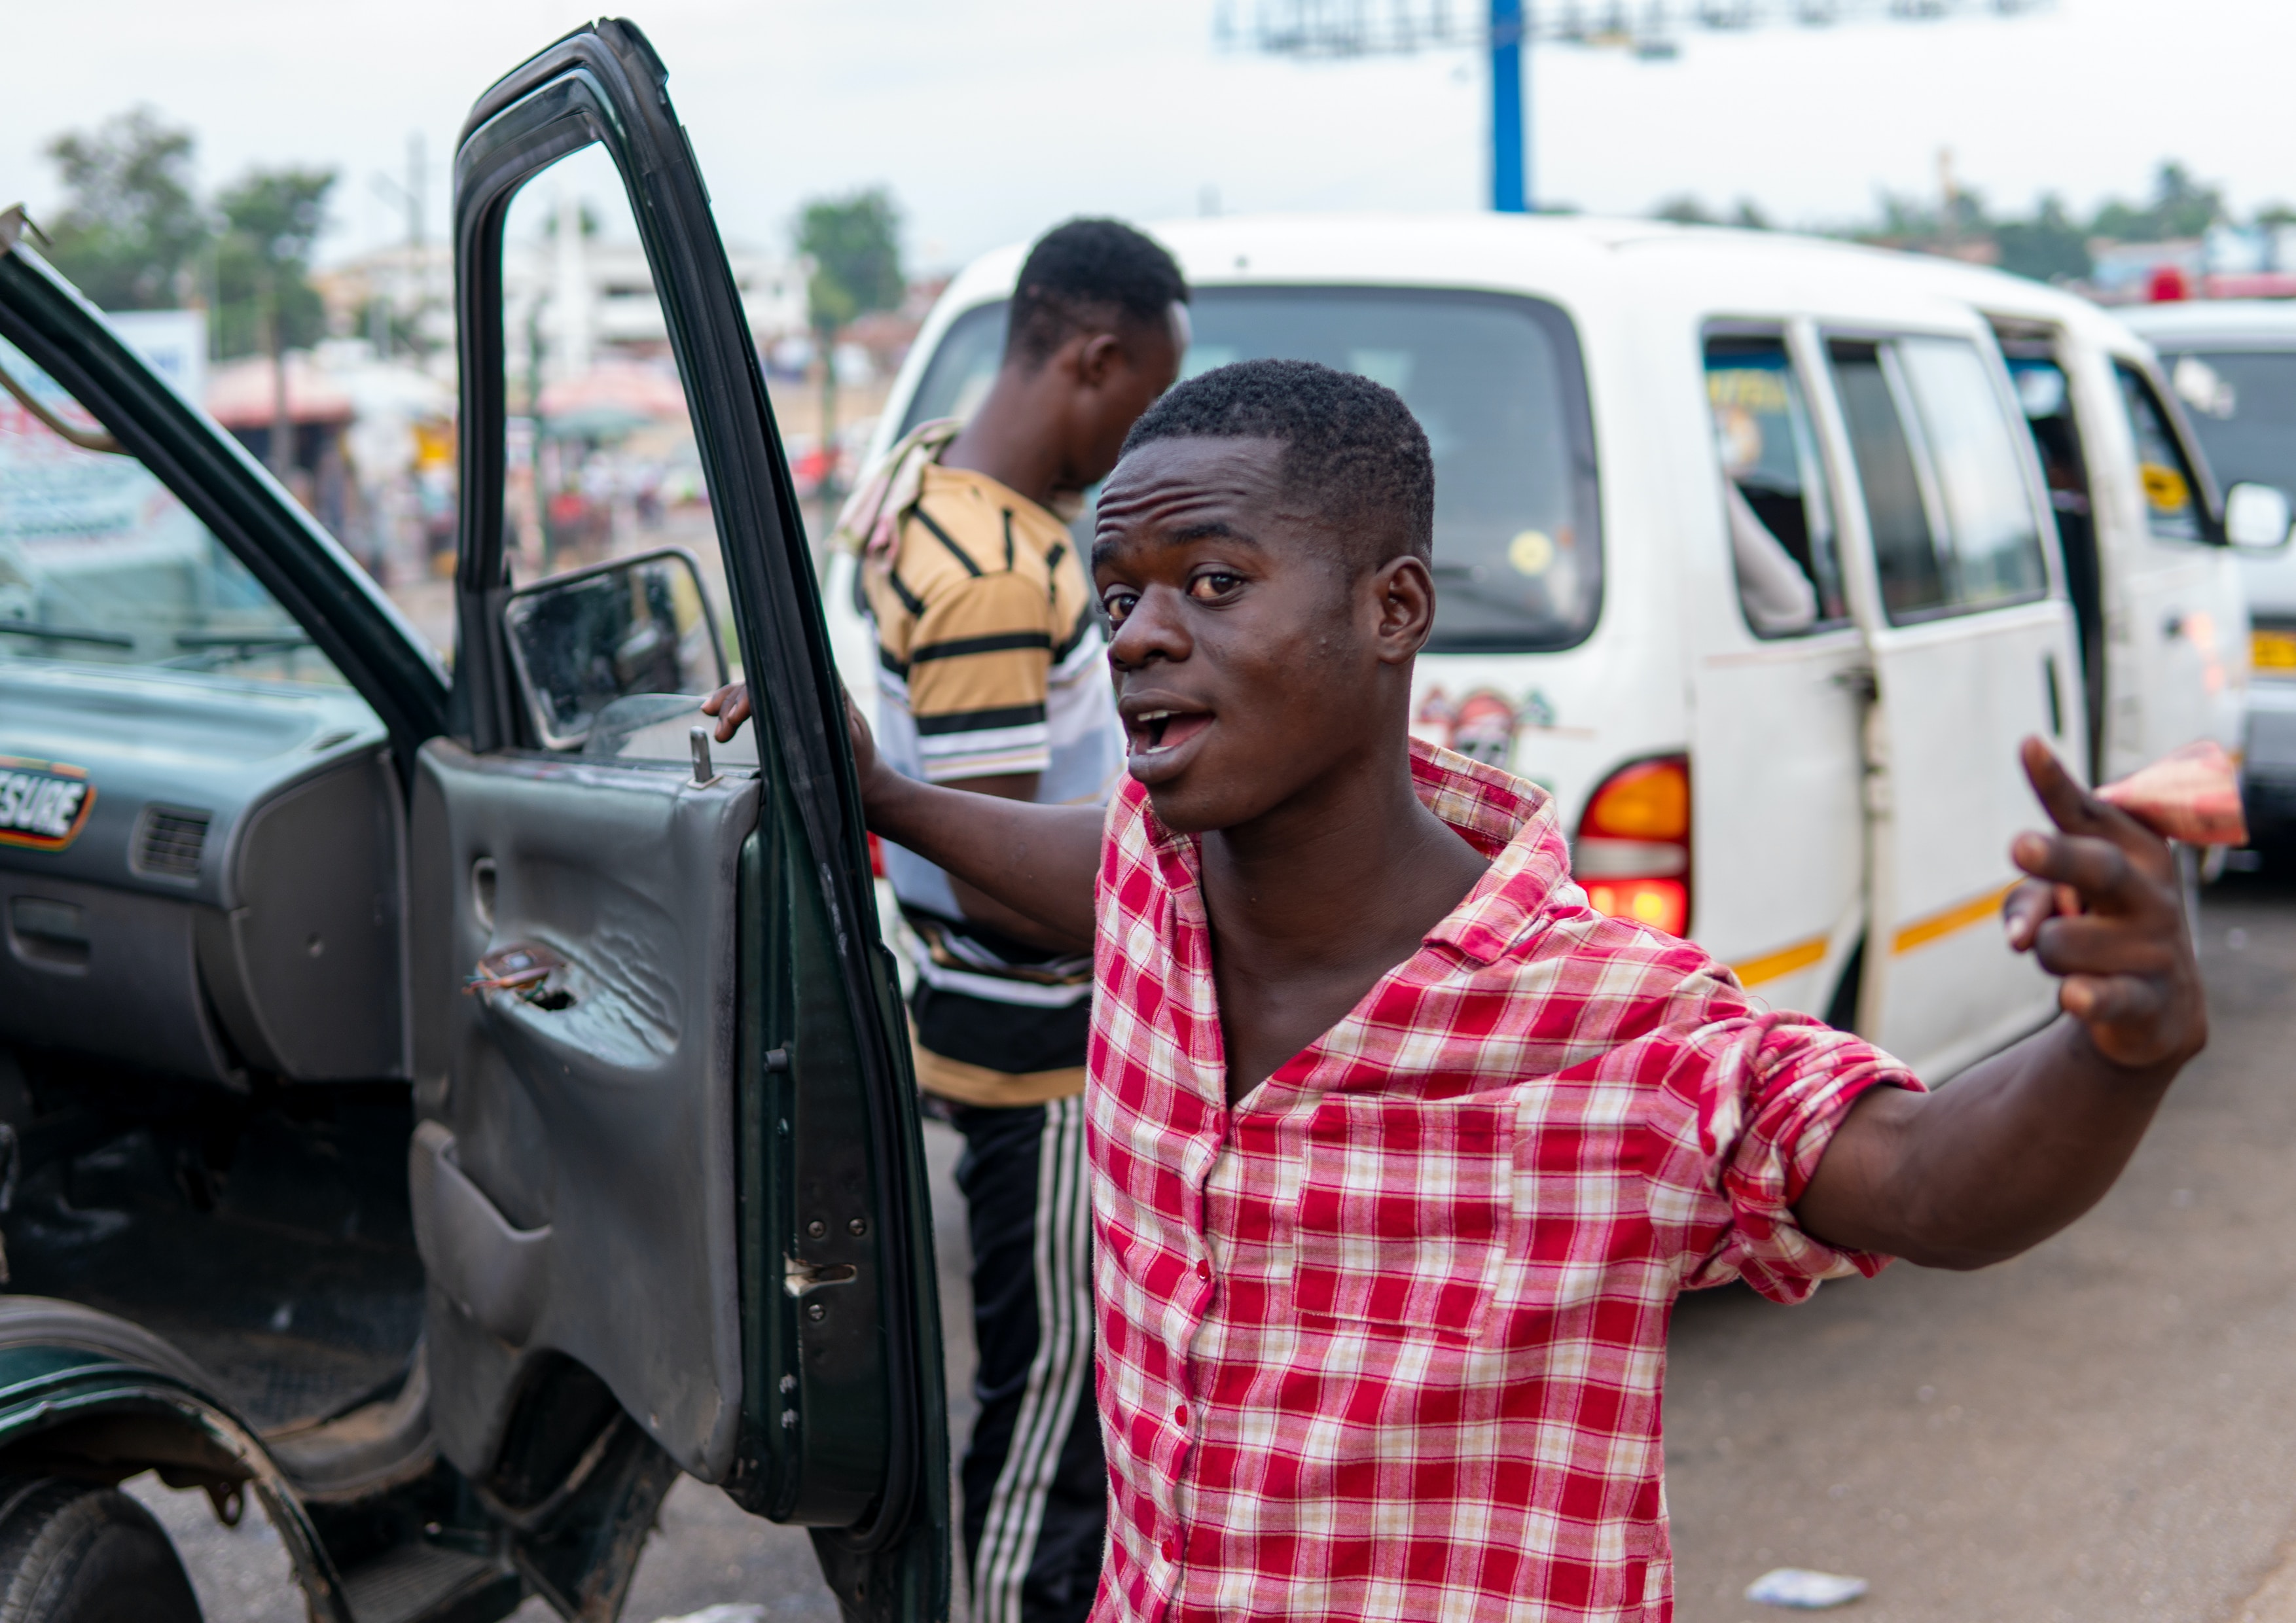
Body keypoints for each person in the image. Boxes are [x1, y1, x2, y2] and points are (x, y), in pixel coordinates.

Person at [829, 357, 2206, 1623]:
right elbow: (1077, 862)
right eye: (1116, 591)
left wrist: (2116, 1054)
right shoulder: (1153, 885)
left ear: (1394, 609)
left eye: (1214, 582)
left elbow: (1921, 1182)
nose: (1135, 634)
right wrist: (884, 794)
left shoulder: (1615, 1029)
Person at [709, 217, 1189, 1623]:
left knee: (1057, 1391)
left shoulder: (924, 480)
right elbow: (990, 862)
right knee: (1051, 1407)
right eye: (1148, 396)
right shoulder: (995, 565)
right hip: (1039, 1056)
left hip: (990, 1020)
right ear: (1092, 359)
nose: (1146, 437)